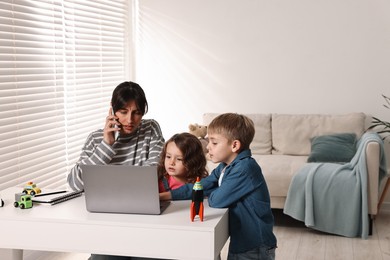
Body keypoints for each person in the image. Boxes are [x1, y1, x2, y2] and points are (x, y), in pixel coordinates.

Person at [160, 113, 277, 260]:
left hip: (254, 246)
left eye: (214, 143)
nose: (208, 147)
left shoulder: (245, 168)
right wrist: (164, 196)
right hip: (241, 242)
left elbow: (217, 201)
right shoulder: (225, 167)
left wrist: (211, 190)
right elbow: (199, 186)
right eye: (209, 141)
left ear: (234, 145)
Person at [67, 81, 165, 191]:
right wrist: (106, 145)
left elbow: (155, 173)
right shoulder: (95, 139)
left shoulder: (150, 128)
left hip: (139, 200)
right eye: (123, 112)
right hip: (104, 204)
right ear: (112, 108)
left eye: (136, 113)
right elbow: (75, 184)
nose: (129, 120)